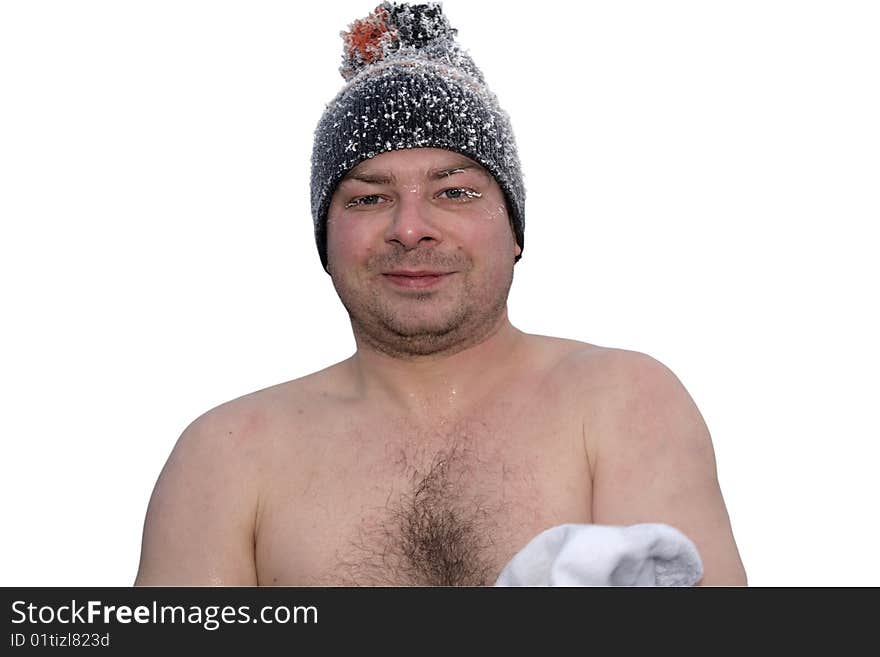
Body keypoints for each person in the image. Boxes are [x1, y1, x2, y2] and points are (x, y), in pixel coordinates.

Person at [134, 2, 747, 586]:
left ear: (513, 230)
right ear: (325, 240)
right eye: (369, 197)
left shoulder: (622, 402)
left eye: (454, 191)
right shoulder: (228, 456)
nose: (408, 227)